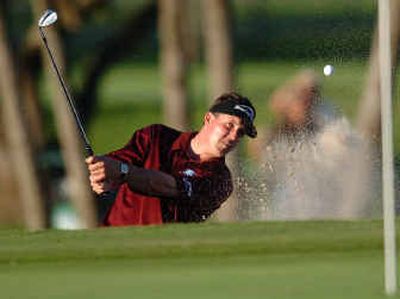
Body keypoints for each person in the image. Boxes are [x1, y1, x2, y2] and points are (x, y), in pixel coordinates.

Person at [86, 92, 257, 226]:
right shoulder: (156, 136)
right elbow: (115, 164)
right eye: (229, 125)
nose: (234, 136)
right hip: (115, 240)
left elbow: (166, 186)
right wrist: (102, 175)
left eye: (240, 133)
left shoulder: (221, 181)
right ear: (208, 119)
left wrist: (123, 172)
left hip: (162, 257)